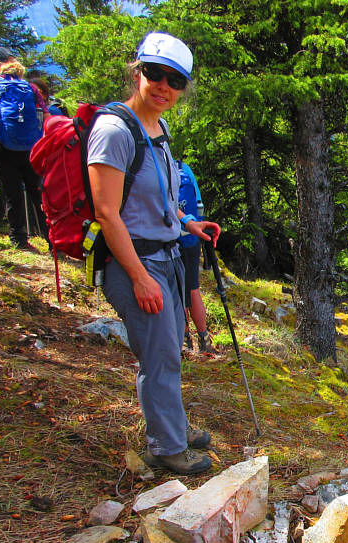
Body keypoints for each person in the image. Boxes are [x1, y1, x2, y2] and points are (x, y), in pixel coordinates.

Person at [87, 32, 220, 475]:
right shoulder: (113, 130)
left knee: (169, 349)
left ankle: (175, 427)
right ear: (138, 71)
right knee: (159, 355)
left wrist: (185, 223)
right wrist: (139, 277)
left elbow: (156, 197)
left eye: (176, 80)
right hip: (137, 264)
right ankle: (166, 447)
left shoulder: (157, 127)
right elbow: (107, 212)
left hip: (164, 257)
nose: (164, 86)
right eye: (155, 74)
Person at [0, 47, 49, 250]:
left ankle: (19, 240)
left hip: (3, 148)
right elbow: (47, 119)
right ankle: (53, 242)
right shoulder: (30, 88)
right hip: (31, 149)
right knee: (38, 193)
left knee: (12, 194)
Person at [176, 160, 216, 355]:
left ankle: (185, 340)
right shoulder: (184, 168)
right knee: (193, 289)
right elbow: (199, 205)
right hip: (192, 239)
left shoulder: (158, 167)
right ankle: (204, 339)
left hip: (171, 239)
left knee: (178, 290)